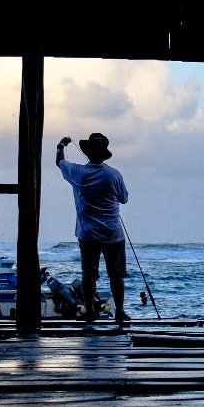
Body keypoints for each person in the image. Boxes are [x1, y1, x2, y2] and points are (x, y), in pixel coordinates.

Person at [56, 133, 130, 323]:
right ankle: (120, 312)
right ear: (104, 154)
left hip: (88, 233)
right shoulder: (113, 174)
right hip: (113, 233)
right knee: (116, 275)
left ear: (87, 152)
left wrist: (61, 146)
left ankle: (89, 311)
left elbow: (60, 162)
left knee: (89, 274)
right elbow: (124, 198)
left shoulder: (78, 172)